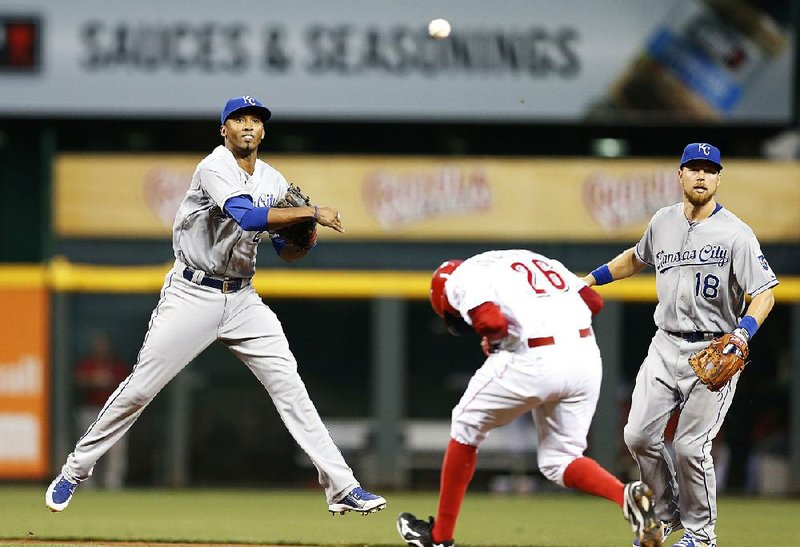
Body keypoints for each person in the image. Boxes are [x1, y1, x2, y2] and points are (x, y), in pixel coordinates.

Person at [46, 95, 386, 516]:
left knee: (291, 388)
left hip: (243, 298)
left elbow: (286, 252)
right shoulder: (213, 167)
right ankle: (75, 471)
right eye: (238, 119)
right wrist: (312, 211)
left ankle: (342, 488)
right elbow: (246, 216)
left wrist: (301, 236)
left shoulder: (275, 181)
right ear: (223, 129)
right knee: (139, 389)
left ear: (264, 131)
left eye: (255, 120)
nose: (247, 125)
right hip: (192, 294)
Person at [396, 250, 663, 547]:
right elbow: (593, 302)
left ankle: (440, 537)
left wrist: (495, 339)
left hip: (534, 357)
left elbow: (492, 323)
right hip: (584, 355)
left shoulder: (456, 281)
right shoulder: (530, 259)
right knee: (559, 459)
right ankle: (625, 496)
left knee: (464, 424)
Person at [583, 143, 777, 547]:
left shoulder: (737, 234)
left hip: (715, 348)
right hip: (665, 344)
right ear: (681, 175)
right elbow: (636, 259)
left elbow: (765, 294)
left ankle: (701, 535)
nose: (702, 176)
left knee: (691, 447)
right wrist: (592, 279)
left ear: (719, 178)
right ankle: (668, 515)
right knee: (637, 436)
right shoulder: (663, 222)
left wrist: (743, 333)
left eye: (710, 169)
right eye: (694, 168)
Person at [73, 334, 131, 489]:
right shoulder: (88, 364)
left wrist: (108, 381)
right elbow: (78, 380)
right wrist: (93, 380)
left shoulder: (116, 365)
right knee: (88, 448)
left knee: (116, 450)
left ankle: (113, 484)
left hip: (114, 412)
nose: (101, 350)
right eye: (98, 346)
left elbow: (128, 385)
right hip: (90, 409)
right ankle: (87, 485)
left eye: (104, 346)